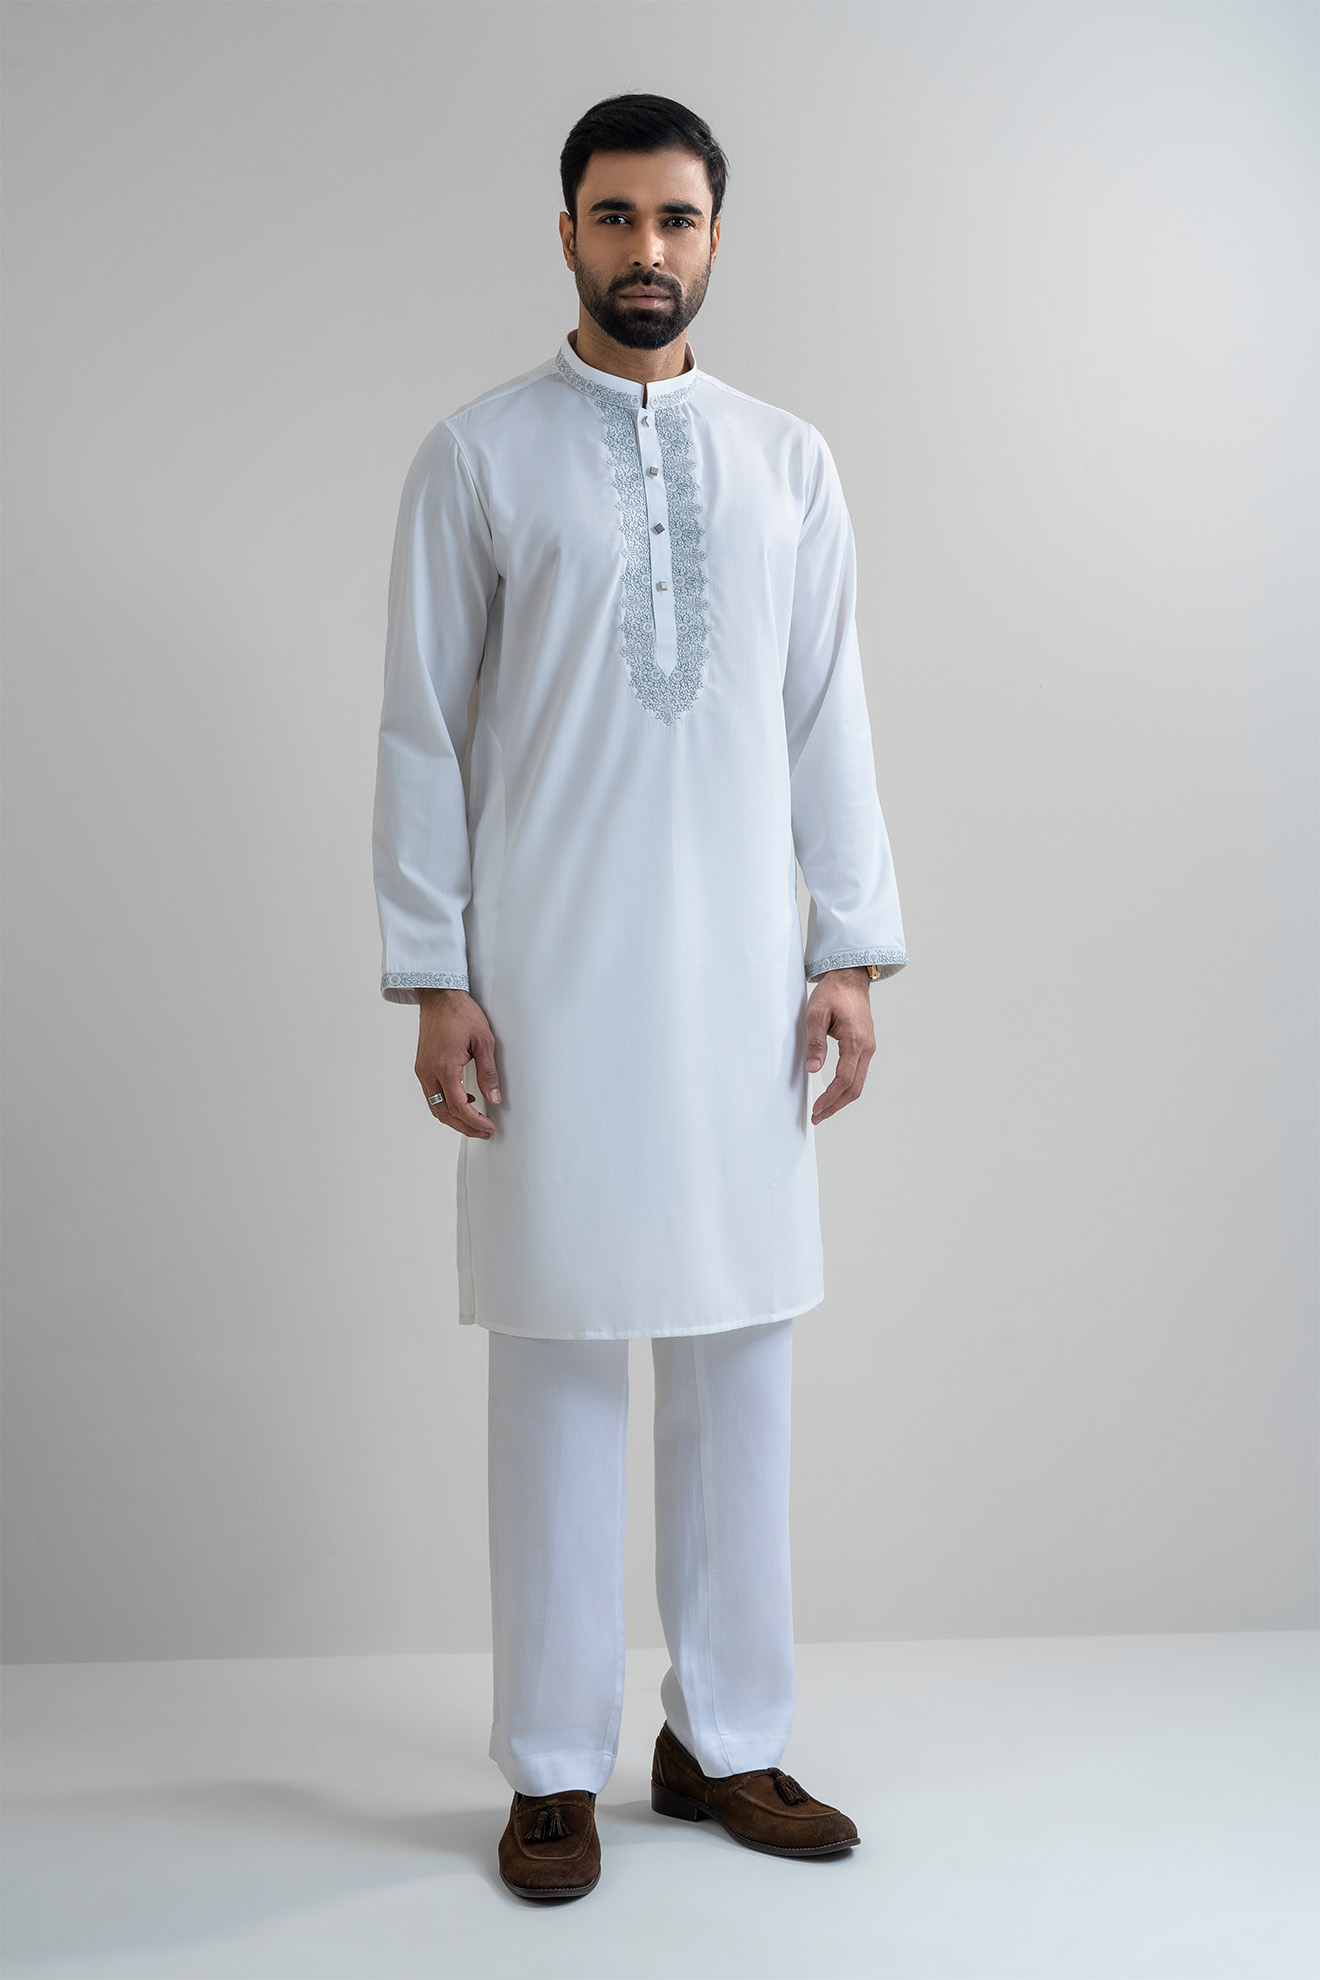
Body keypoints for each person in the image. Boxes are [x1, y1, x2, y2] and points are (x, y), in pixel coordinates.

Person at [372, 92, 908, 1902]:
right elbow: (423, 731)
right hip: (546, 981)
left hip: (744, 981)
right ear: (567, 235)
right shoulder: (480, 456)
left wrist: (847, 950)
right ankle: (551, 1766)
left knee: (741, 1355)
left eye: (677, 219)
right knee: (557, 1359)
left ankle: (725, 1738)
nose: (647, 249)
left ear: (716, 237)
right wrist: (435, 971)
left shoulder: (786, 463)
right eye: (615, 217)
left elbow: (829, 715)